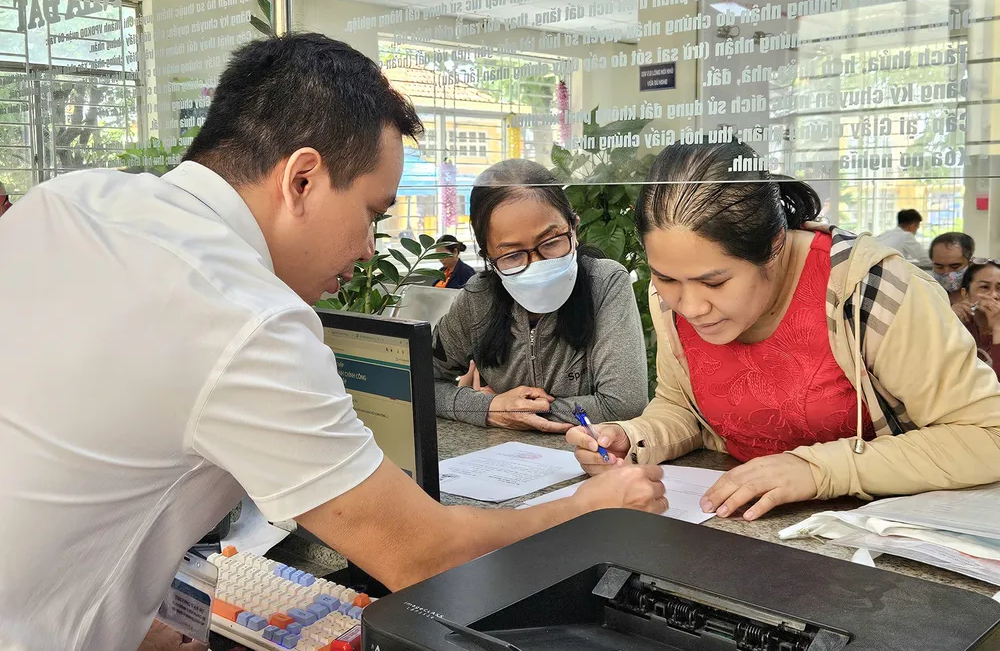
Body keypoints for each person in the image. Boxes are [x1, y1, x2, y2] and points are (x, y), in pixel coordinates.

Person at [0, 34, 667, 651]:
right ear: (302, 180)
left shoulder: (67, 201)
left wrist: (126, 616)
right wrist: (586, 509)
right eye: (372, 214)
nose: (365, 249)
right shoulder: (243, 315)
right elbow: (423, 556)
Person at [568, 141, 1000, 523]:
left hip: (879, 537)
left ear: (774, 246)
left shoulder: (871, 289)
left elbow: (987, 436)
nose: (690, 306)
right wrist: (635, 438)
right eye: (665, 278)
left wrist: (818, 470)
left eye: (715, 283)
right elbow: (684, 409)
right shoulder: (674, 299)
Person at [432, 159, 648, 432]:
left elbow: (623, 404)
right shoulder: (478, 299)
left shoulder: (604, 284)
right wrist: (487, 408)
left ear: (574, 228)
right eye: (512, 255)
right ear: (488, 256)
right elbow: (417, 382)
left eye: (551, 242)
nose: (537, 264)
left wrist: (518, 411)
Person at [956, 259, 1000, 377]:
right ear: (965, 294)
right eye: (985, 287)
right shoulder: (959, 326)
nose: (994, 295)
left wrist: (997, 328)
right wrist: (948, 320)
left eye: (999, 288)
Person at [930, 232, 975, 310]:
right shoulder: (926, 293)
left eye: (954, 266)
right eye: (939, 267)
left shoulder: (983, 292)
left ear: (970, 263)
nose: (947, 273)